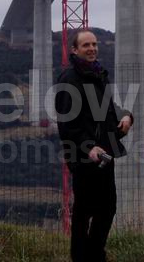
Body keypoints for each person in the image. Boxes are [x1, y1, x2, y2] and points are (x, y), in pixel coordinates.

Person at [55, 29, 133, 262]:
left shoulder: (98, 74)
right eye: (86, 45)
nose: (92, 48)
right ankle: (84, 256)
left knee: (107, 209)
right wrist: (88, 147)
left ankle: (93, 254)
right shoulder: (70, 78)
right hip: (84, 156)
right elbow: (66, 123)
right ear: (74, 50)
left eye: (94, 44)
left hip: (104, 154)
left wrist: (127, 116)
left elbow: (110, 108)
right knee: (84, 212)